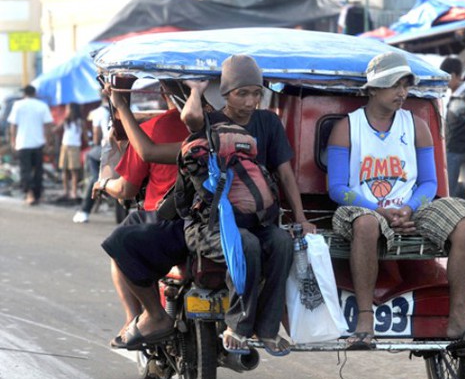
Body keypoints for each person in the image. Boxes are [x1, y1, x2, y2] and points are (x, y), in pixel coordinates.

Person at [104, 55, 315, 355]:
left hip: (257, 217)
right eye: (242, 93)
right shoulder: (210, 122)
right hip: (213, 221)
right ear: (226, 94)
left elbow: (285, 173)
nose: (251, 100)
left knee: (281, 243)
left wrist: (301, 217)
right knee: (245, 245)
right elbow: (190, 119)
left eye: (256, 93)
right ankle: (238, 326)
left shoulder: (268, 122)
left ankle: (267, 329)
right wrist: (195, 89)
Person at [327, 51, 465, 350]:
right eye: (394, 85)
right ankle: (365, 321)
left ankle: (457, 319)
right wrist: (379, 210)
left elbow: (429, 182)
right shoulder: (347, 128)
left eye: (405, 85)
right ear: (374, 88)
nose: (402, 92)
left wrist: (409, 208)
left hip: (411, 206)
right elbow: (337, 187)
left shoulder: (416, 125)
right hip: (364, 208)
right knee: (366, 226)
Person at [96, 85, 190, 347]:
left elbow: (126, 189)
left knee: (119, 244)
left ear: (164, 92)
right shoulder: (221, 129)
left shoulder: (151, 131)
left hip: (165, 224)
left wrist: (102, 184)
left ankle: (138, 317)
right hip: (213, 224)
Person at [8, 85, 54, 205]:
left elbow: (13, 126)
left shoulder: (17, 105)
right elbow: (48, 126)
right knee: (38, 170)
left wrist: (13, 141)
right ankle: (37, 194)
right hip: (38, 143)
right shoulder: (42, 106)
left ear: (24, 93)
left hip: (23, 143)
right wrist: (48, 142)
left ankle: (30, 194)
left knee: (25, 170)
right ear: (35, 93)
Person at [73, 93, 111, 223]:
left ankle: (84, 211)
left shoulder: (100, 112)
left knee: (95, 177)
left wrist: (95, 143)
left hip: (106, 150)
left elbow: (96, 134)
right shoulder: (132, 107)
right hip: (127, 150)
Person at [440, 57, 465, 198]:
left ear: (453, 75)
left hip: (457, 148)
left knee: (449, 189)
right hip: (452, 147)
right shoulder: (455, 95)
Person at [55, 103, 86, 201]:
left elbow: (84, 134)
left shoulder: (80, 122)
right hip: (65, 146)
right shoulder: (65, 121)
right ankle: (66, 191)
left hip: (75, 146)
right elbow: (56, 129)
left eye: (68, 109)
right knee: (64, 169)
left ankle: (74, 192)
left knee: (74, 171)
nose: (67, 111)